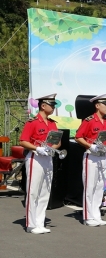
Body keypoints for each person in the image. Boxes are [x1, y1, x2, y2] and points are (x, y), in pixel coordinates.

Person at [19, 93, 61, 234]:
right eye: (52, 104)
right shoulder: (32, 122)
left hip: (47, 157)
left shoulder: (53, 123)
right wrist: (38, 148)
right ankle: (31, 224)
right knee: (33, 191)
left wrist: (50, 149)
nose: (54, 107)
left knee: (45, 191)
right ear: (43, 106)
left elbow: (58, 142)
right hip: (35, 157)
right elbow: (23, 141)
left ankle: (40, 222)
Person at [74, 93, 106, 227]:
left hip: (103, 156)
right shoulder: (89, 121)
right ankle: (88, 216)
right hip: (91, 157)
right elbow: (78, 137)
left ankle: (96, 215)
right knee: (90, 186)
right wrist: (90, 146)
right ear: (98, 106)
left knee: (99, 186)